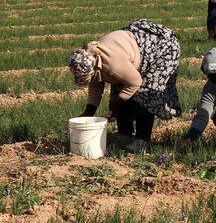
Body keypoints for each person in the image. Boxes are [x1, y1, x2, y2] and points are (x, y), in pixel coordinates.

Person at [67, 19, 182, 151]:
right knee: (119, 91)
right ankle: (125, 136)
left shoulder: (111, 63)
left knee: (145, 93)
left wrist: (116, 105)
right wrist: (89, 111)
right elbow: (95, 84)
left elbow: (135, 82)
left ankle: (142, 140)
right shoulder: (91, 58)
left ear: (94, 67)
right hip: (134, 51)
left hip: (160, 48)